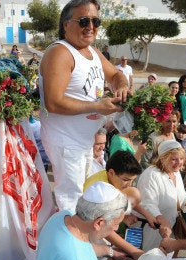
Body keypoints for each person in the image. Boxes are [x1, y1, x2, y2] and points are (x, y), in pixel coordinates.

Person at [38, 0, 130, 212]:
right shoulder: (61, 53)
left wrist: (122, 86)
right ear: (66, 24)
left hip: (83, 142)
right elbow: (53, 102)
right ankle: (69, 241)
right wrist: (97, 106)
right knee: (71, 202)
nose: (91, 26)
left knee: (84, 195)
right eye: (83, 21)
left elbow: (116, 74)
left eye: (95, 21)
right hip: (66, 142)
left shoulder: (92, 52)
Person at [136, 140, 186, 251]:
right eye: (174, 159)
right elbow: (147, 203)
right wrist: (162, 220)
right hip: (153, 229)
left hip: (170, 226)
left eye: (181, 159)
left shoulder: (175, 172)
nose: (179, 163)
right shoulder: (151, 175)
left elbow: (180, 193)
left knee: (167, 256)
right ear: (162, 159)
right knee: (151, 256)